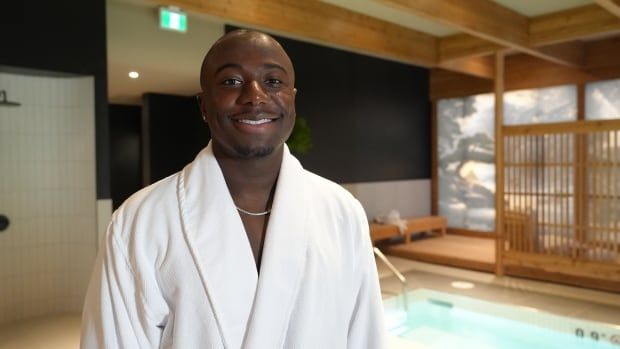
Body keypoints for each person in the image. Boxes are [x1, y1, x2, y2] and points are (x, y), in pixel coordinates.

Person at [81, 29, 386, 348]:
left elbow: (365, 335)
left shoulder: (341, 211)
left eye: (273, 82)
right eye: (231, 82)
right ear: (203, 105)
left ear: (292, 99)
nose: (255, 96)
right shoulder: (139, 221)